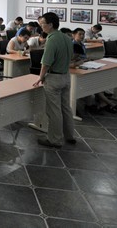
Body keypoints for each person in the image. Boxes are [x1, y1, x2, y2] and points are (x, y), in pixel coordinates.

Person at [32, 12, 75, 148]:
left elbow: (46, 63)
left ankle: (55, 140)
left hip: (54, 78)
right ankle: (70, 136)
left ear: (50, 25)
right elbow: (71, 57)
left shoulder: (51, 39)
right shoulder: (67, 37)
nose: (41, 27)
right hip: (66, 76)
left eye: (42, 24)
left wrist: (41, 77)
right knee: (65, 108)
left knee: (54, 111)